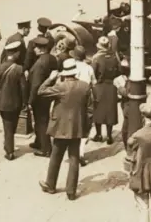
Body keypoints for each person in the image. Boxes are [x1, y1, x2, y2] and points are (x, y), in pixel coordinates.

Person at [38, 59, 93, 201]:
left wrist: (50, 79)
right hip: (77, 127)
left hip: (60, 127)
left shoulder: (60, 87)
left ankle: (50, 184)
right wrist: (86, 126)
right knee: (74, 158)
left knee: (56, 156)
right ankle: (71, 191)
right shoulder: (85, 86)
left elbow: (41, 91)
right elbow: (90, 109)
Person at [0, 40, 28, 161]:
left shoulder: (0, 68)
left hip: (3, 103)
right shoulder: (19, 69)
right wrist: (24, 103)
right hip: (16, 103)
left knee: (7, 126)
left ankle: (9, 148)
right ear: (15, 54)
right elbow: (23, 88)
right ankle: (9, 150)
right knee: (12, 126)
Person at [28, 35, 58, 158]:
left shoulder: (40, 63)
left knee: (41, 122)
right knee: (42, 120)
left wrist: (30, 101)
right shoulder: (52, 58)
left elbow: (35, 85)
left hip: (39, 98)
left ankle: (46, 149)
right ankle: (39, 141)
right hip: (48, 95)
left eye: (36, 48)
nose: (34, 49)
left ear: (41, 49)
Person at [92, 36, 121, 144]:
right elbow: (120, 70)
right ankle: (109, 136)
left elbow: (93, 72)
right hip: (111, 86)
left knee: (98, 111)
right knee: (110, 111)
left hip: (99, 87)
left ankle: (98, 134)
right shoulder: (114, 56)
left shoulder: (96, 58)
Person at [72, 46, 96, 166]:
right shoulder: (88, 68)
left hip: (72, 97)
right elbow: (94, 83)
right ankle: (80, 153)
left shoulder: (71, 67)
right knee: (86, 125)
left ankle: (73, 153)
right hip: (86, 98)